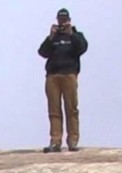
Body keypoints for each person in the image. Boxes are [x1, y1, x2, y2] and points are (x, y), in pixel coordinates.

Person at [37, 8, 89, 153]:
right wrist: (50, 37)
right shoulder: (53, 37)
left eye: (65, 20)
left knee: (71, 108)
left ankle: (72, 141)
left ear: (69, 20)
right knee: (54, 109)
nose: (62, 22)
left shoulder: (76, 35)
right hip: (52, 75)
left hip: (69, 74)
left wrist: (71, 34)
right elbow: (42, 52)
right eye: (60, 20)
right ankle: (55, 141)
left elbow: (82, 48)